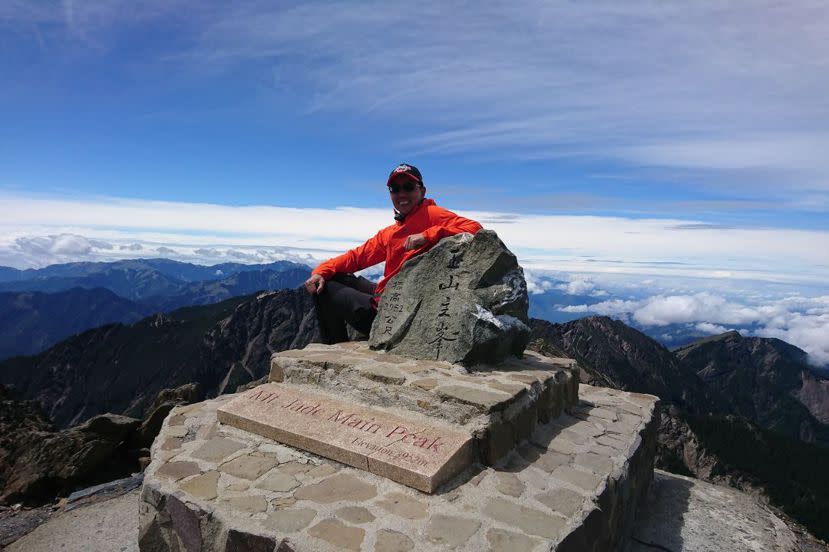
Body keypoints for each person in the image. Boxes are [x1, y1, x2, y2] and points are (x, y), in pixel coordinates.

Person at [304, 163, 482, 344]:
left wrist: (428, 235)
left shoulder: (433, 214)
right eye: (395, 189)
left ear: (422, 190)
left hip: (395, 312)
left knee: (323, 290)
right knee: (332, 277)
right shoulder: (391, 233)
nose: (402, 194)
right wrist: (321, 270)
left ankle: (334, 347)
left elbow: (475, 229)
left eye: (408, 187)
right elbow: (356, 257)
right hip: (387, 295)